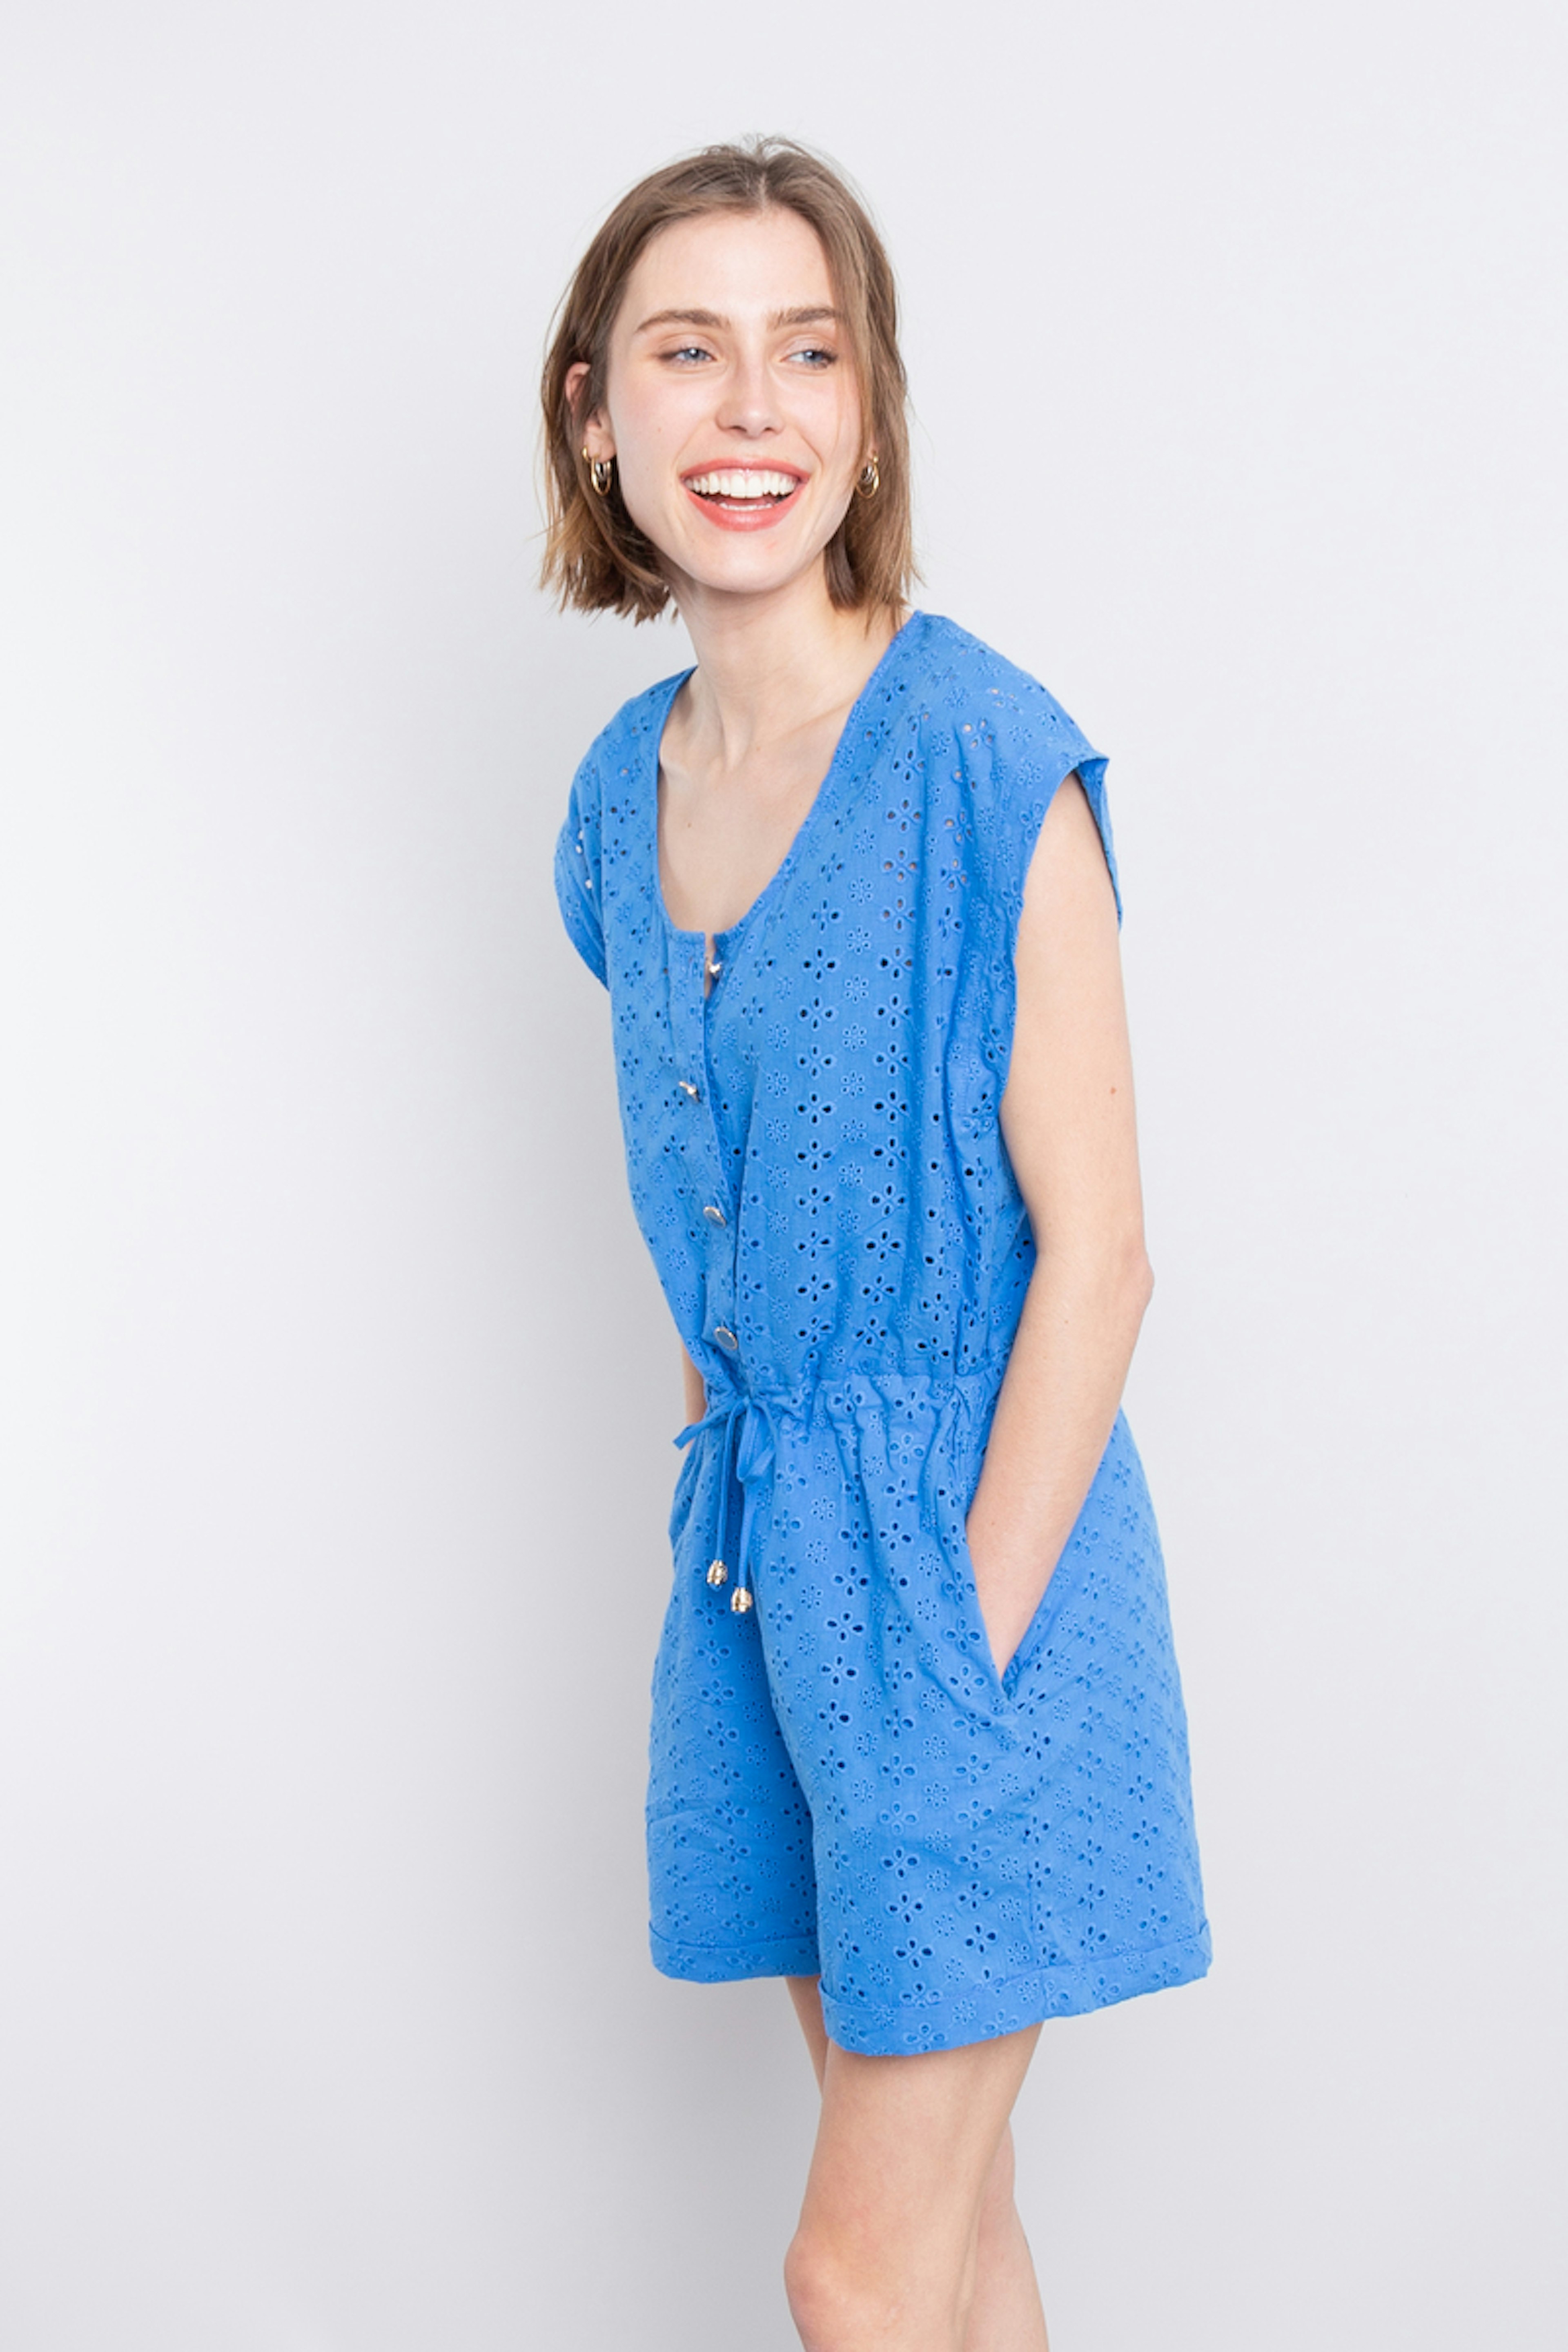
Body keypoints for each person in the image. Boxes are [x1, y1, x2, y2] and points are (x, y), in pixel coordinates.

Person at [543, 134, 1210, 2352]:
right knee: (956, 2240)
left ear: (870, 404)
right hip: (757, 1586)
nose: (753, 408)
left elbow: (1102, 1257)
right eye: (688, 351)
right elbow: (706, 1220)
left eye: (809, 353)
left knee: (851, 2273)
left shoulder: (985, 755)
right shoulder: (617, 803)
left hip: (967, 1582)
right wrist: (730, 1506)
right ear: (595, 415)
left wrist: (957, 1639)